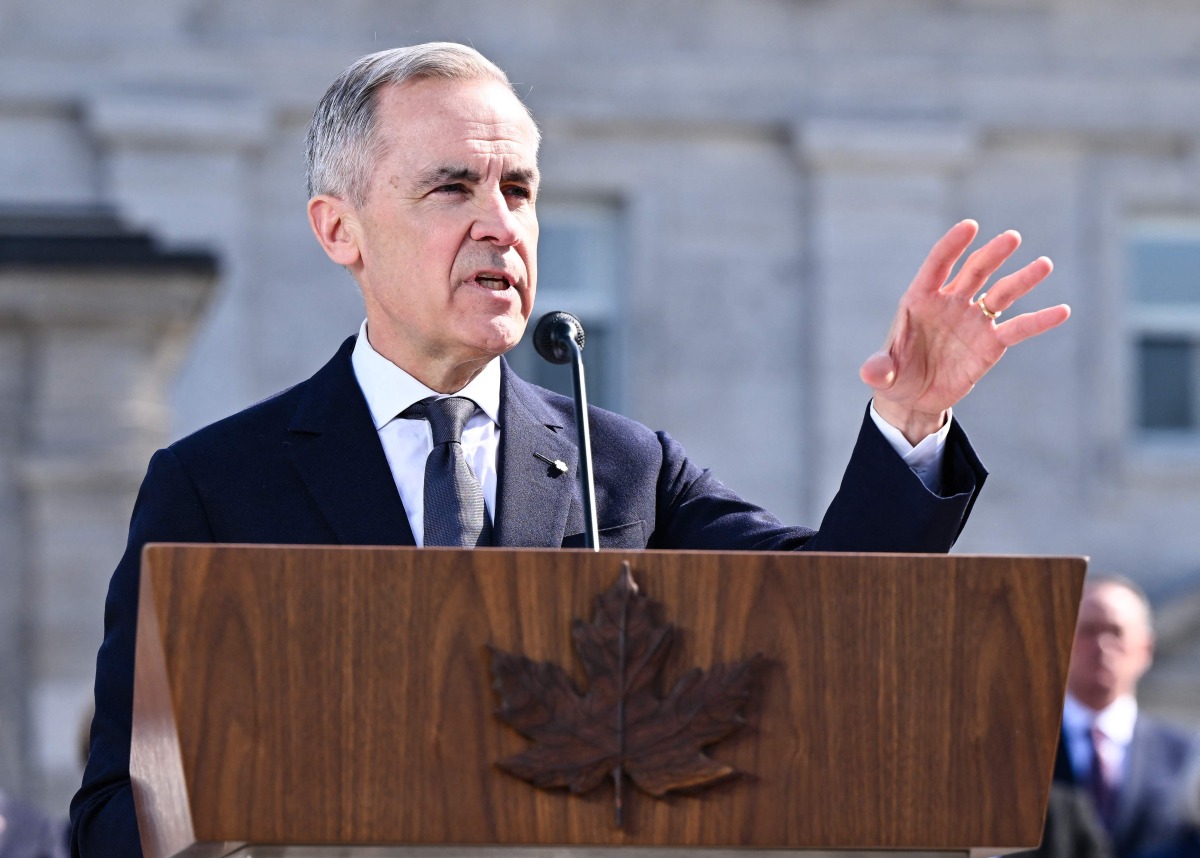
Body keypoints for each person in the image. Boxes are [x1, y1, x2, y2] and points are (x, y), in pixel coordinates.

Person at [69, 42, 1070, 856]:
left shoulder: (628, 471)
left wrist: (910, 423)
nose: (500, 225)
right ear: (341, 230)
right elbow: (113, 815)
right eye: (453, 188)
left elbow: (825, 618)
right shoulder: (215, 485)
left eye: (520, 188)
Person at [1054, 575, 1199, 858]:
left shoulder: (1182, 754)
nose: (1103, 646)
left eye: (1116, 632)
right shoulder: (1025, 755)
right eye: (1088, 631)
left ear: (1145, 649)